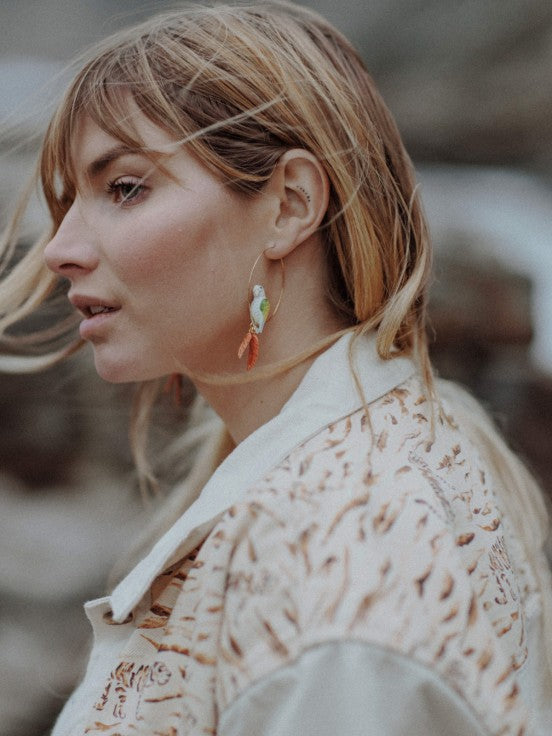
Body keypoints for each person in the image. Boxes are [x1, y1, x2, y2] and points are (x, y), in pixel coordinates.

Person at [1, 2, 551, 734]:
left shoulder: (339, 574)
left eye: (125, 188)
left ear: (289, 205)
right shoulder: (403, 431)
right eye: (67, 200)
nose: (59, 248)